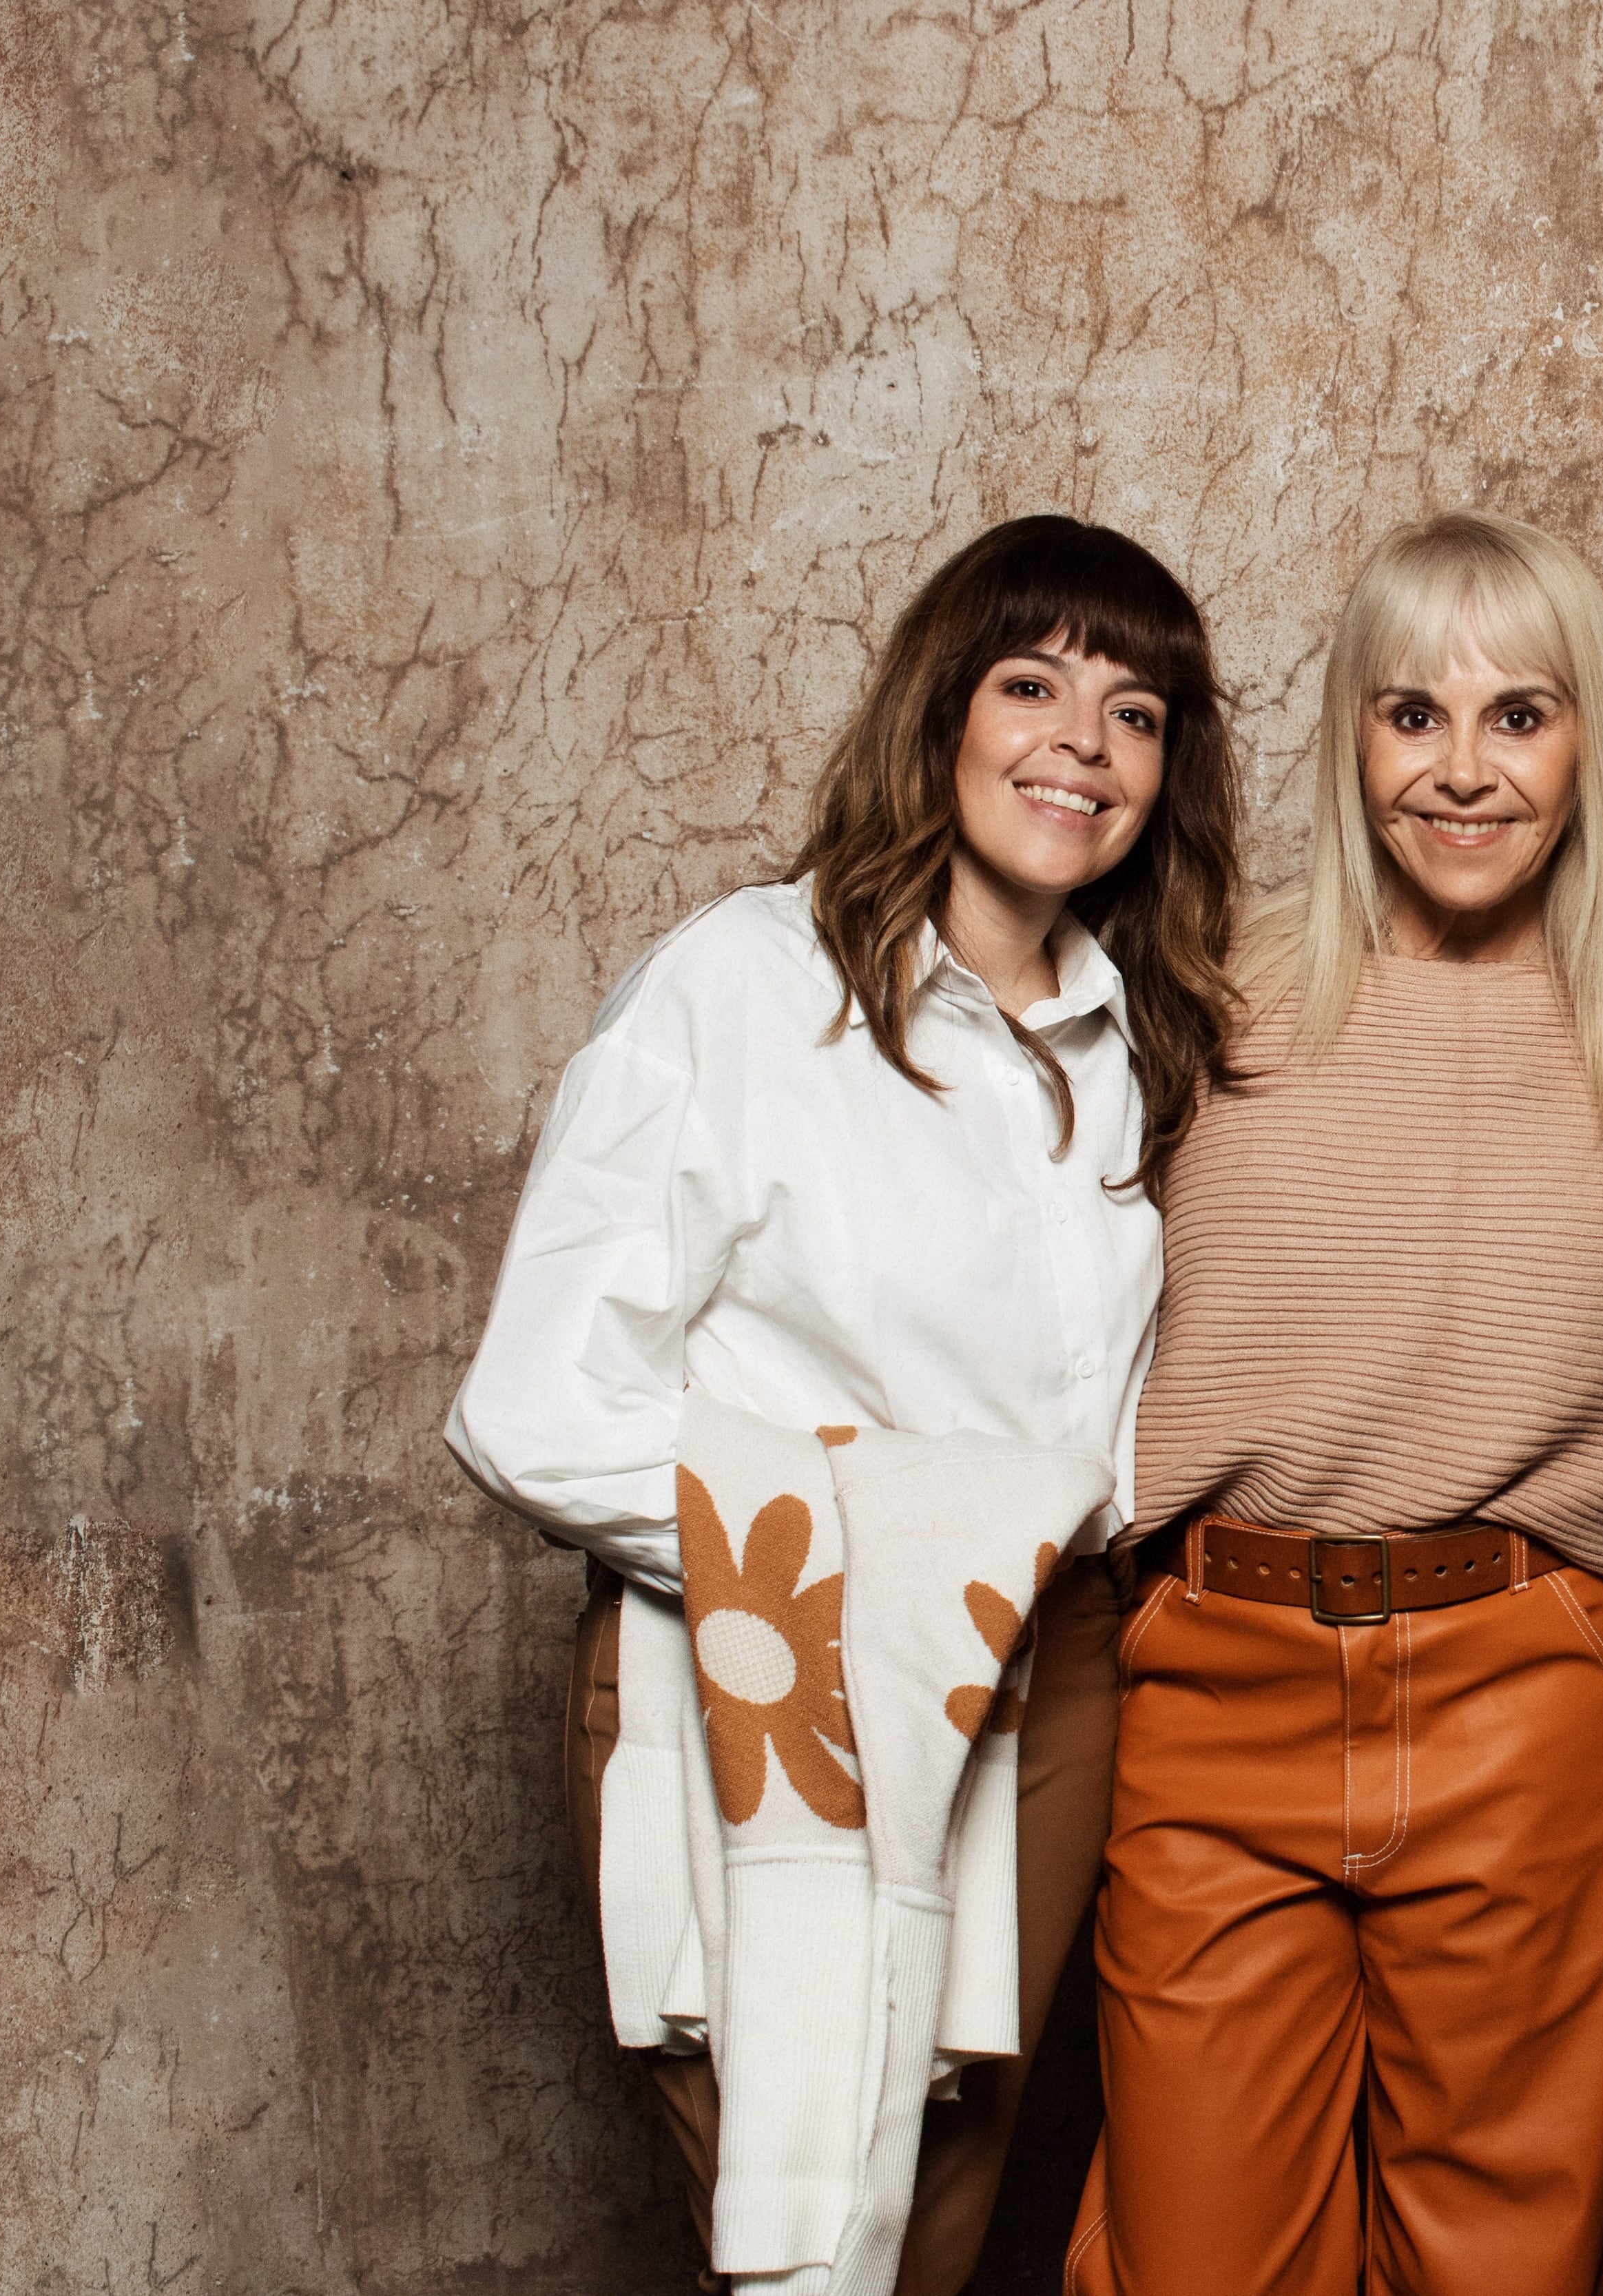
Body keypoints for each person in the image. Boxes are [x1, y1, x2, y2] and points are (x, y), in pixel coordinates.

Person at [446, 514, 1245, 2293]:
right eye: (1031, 685)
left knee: (937, 2222)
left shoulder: (1152, 1038)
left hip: (1048, 1695)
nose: (1080, 745)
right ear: (939, 712)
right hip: (765, 1671)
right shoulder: (742, 988)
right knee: (800, 2228)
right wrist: (861, 1557)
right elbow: (533, 1403)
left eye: (1135, 712)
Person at [1064, 512, 1603, 2296]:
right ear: (1351, 735)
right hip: (1218, 1687)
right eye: (1412, 714)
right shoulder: (1199, 991)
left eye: (1521, 715)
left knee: (1499, 2268)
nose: (1464, 769)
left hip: (1532, 1693)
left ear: (1591, 738)